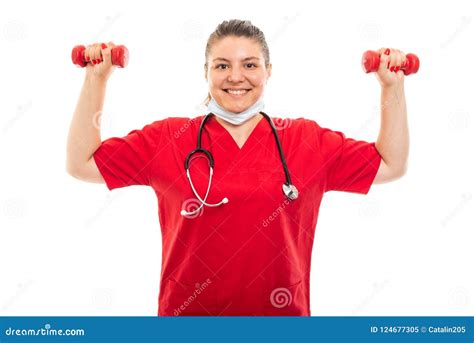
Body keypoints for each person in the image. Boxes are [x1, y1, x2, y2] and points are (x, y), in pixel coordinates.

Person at [66, 19, 409, 316]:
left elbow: (391, 164)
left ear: (268, 71)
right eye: (221, 65)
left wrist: (392, 88)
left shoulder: (305, 140)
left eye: (249, 65)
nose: (235, 77)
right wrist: (96, 80)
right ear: (206, 73)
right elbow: (82, 163)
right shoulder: (169, 138)